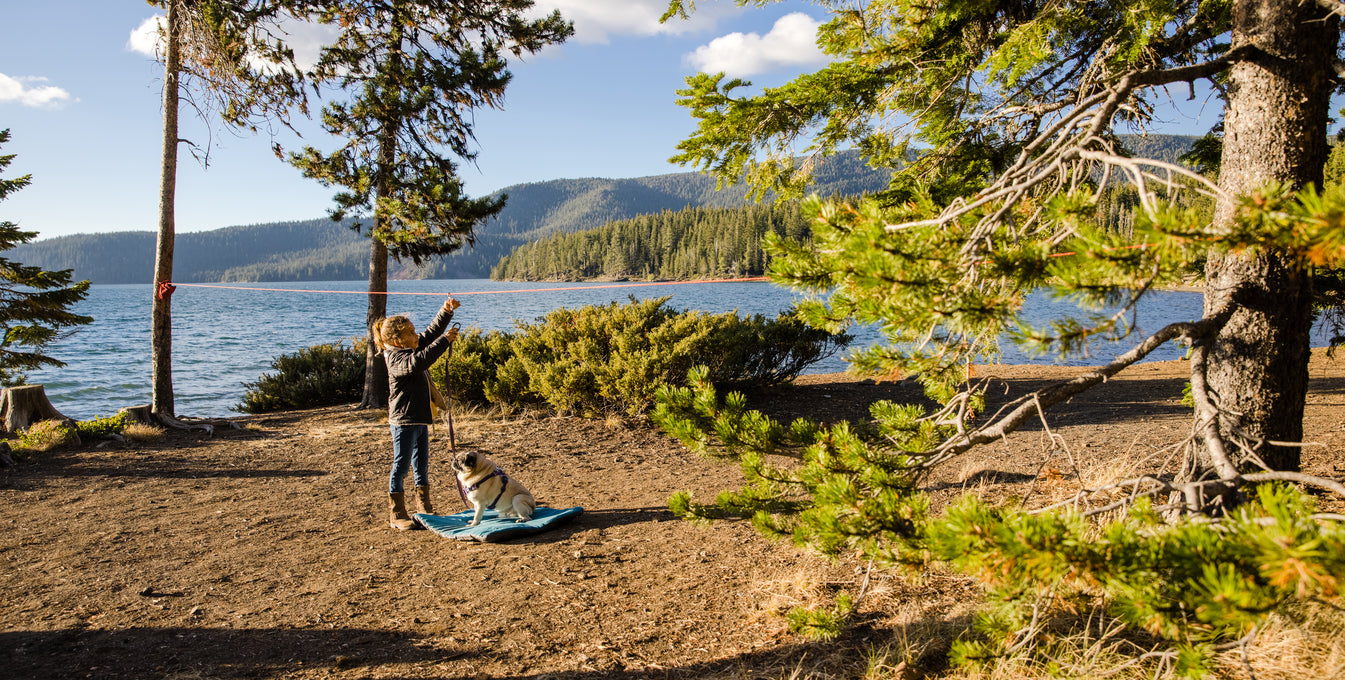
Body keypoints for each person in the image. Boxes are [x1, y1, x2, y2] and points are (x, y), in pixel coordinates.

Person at [373, 297, 460, 530]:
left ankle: (424, 508)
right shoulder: (394, 357)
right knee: (401, 465)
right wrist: (443, 342)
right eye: (411, 332)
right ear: (397, 340)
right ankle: (397, 513)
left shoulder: (408, 347)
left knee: (421, 464)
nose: (416, 335)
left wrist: (446, 311)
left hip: (420, 418)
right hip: (403, 421)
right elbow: (417, 363)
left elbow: (430, 335)